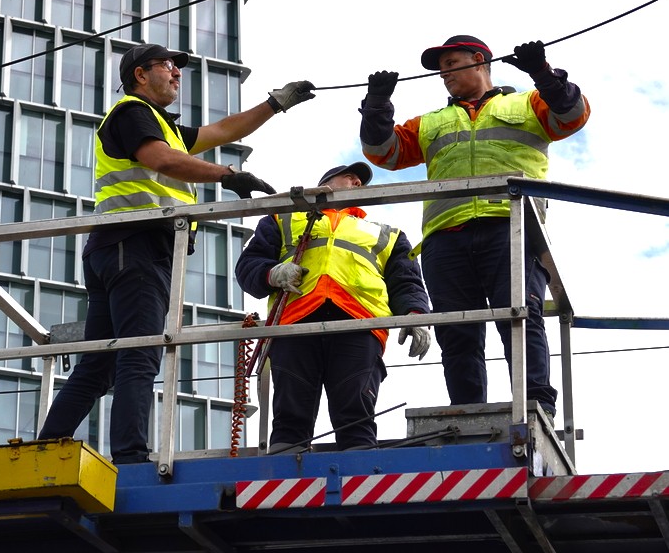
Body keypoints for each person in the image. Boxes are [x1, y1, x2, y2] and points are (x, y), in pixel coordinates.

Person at [38, 43, 316, 464]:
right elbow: (161, 160)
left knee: (99, 365)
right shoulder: (133, 113)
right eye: (167, 65)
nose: (177, 72)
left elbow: (223, 131)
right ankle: (130, 457)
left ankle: (47, 446)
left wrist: (275, 104)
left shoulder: (158, 125)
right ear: (140, 74)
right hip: (136, 245)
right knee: (140, 352)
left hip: (118, 248)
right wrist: (227, 175)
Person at [358, 35, 591, 419]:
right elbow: (383, 151)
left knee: (520, 318)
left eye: (452, 65)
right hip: (446, 236)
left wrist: (542, 72)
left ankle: (536, 409)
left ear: (480, 61)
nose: (444, 74)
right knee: (457, 331)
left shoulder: (526, 104)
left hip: (511, 226)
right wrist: (377, 104)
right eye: (441, 70)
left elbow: (572, 114)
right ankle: (467, 414)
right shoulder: (431, 122)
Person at [235, 162, 431, 453]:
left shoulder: (387, 234)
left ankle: (360, 471)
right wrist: (273, 273)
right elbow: (249, 265)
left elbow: (406, 281)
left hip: (360, 323)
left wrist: (416, 315)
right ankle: (287, 468)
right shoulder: (283, 219)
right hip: (295, 321)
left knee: (356, 417)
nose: (357, 182)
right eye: (349, 177)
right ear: (324, 183)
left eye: (360, 181)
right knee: (290, 417)